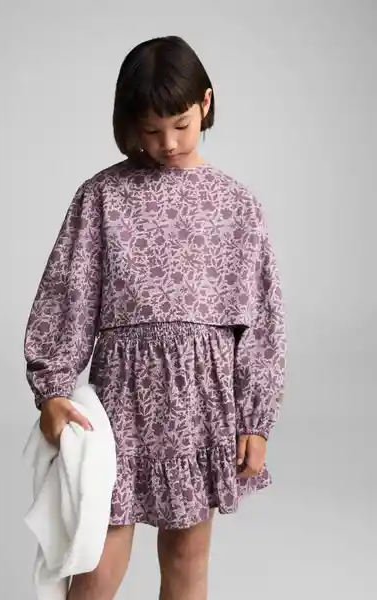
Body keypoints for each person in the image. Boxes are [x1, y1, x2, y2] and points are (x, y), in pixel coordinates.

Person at [24, 35, 287, 600]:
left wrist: (255, 419)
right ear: (129, 123)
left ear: (206, 104)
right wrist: (52, 388)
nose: (168, 143)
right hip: (121, 402)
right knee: (97, 563)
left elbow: (260, 320)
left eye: (181, 125)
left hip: (200, 403)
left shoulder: (236, 205)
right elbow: (68, 293)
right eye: (150, 130)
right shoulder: (102, 197)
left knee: (188, 560)